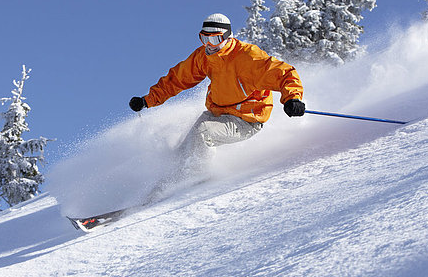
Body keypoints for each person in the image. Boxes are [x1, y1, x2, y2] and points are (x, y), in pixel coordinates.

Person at [129, 13, 305, 170]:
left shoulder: (247, 57)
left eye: (214, 40)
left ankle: (196, 176)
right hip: (217, 113)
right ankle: (168, 182)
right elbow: (177, 79)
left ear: (228, 37)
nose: (209, 45)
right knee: (184, 148)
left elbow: (284, 73)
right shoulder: (203, 57)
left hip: (246, 119)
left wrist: (293, 98)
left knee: (202, 134)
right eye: (204, 39)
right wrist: (148, 100)